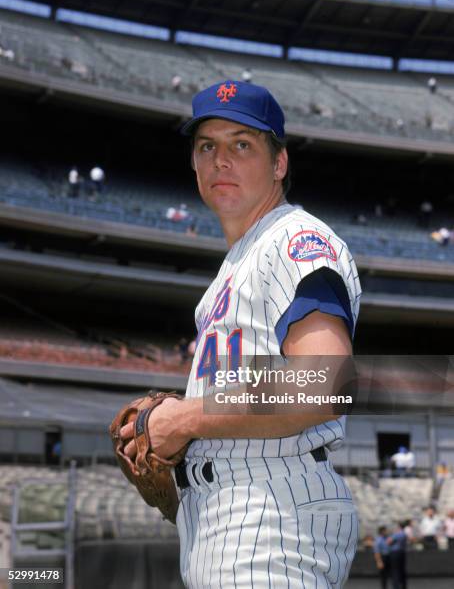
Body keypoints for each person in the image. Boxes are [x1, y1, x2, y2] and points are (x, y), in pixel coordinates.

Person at [120, 80, 362, 587]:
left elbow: (325, 380)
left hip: (271, 513)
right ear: (193, 163)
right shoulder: (239, 263)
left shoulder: (294, 238)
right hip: (232, 516)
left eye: (242, 144)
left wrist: (183, 417)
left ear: (279, 164)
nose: (220, 159)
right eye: (207, 146)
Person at [387, 522, 407, 589]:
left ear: (399, 527)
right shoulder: (404, 534)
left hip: (395, 553)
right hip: (402, 552)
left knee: (395, 570)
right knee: (402, 570)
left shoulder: (397, 534)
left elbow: (388, 542)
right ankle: (403, 585)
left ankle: (396, 586)